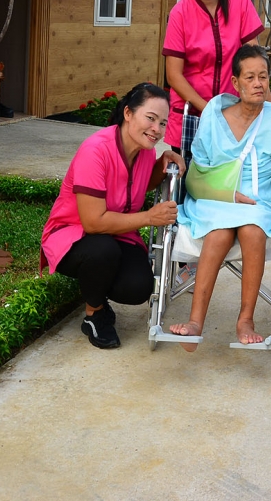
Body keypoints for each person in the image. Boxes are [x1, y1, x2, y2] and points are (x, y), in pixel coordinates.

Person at [170, 45, 271, 349]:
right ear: (236, 82)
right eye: (250, 77)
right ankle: (195, 322)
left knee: (252, 230)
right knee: (218, 233)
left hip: (259, 202)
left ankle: (246, 320)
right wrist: (227, 194)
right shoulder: (214, 113)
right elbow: (199, 170)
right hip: (215, 200)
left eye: (263, 77)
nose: (258, 84)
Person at [40, 84, 184, 349]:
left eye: (163, 123)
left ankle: (97, 286)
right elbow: (93, 222)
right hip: (74, 236)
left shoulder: (145, 151)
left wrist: (163, 162)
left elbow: (139, 184)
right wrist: (149, 217)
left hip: (117, 235)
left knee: (138, 287)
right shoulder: (95, 150)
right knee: (102, 251)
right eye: (150, 118)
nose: (157, 129)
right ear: (128, 113)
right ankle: (94, 314)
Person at [162, 0, 265, 155]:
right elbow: (173, 75)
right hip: (191, 117)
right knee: (190, 176)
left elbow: (253, 62)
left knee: (233, 175)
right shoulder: (179, 14)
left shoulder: (239, 0)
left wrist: (266, 107)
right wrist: (209, 110)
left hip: (234, 116)